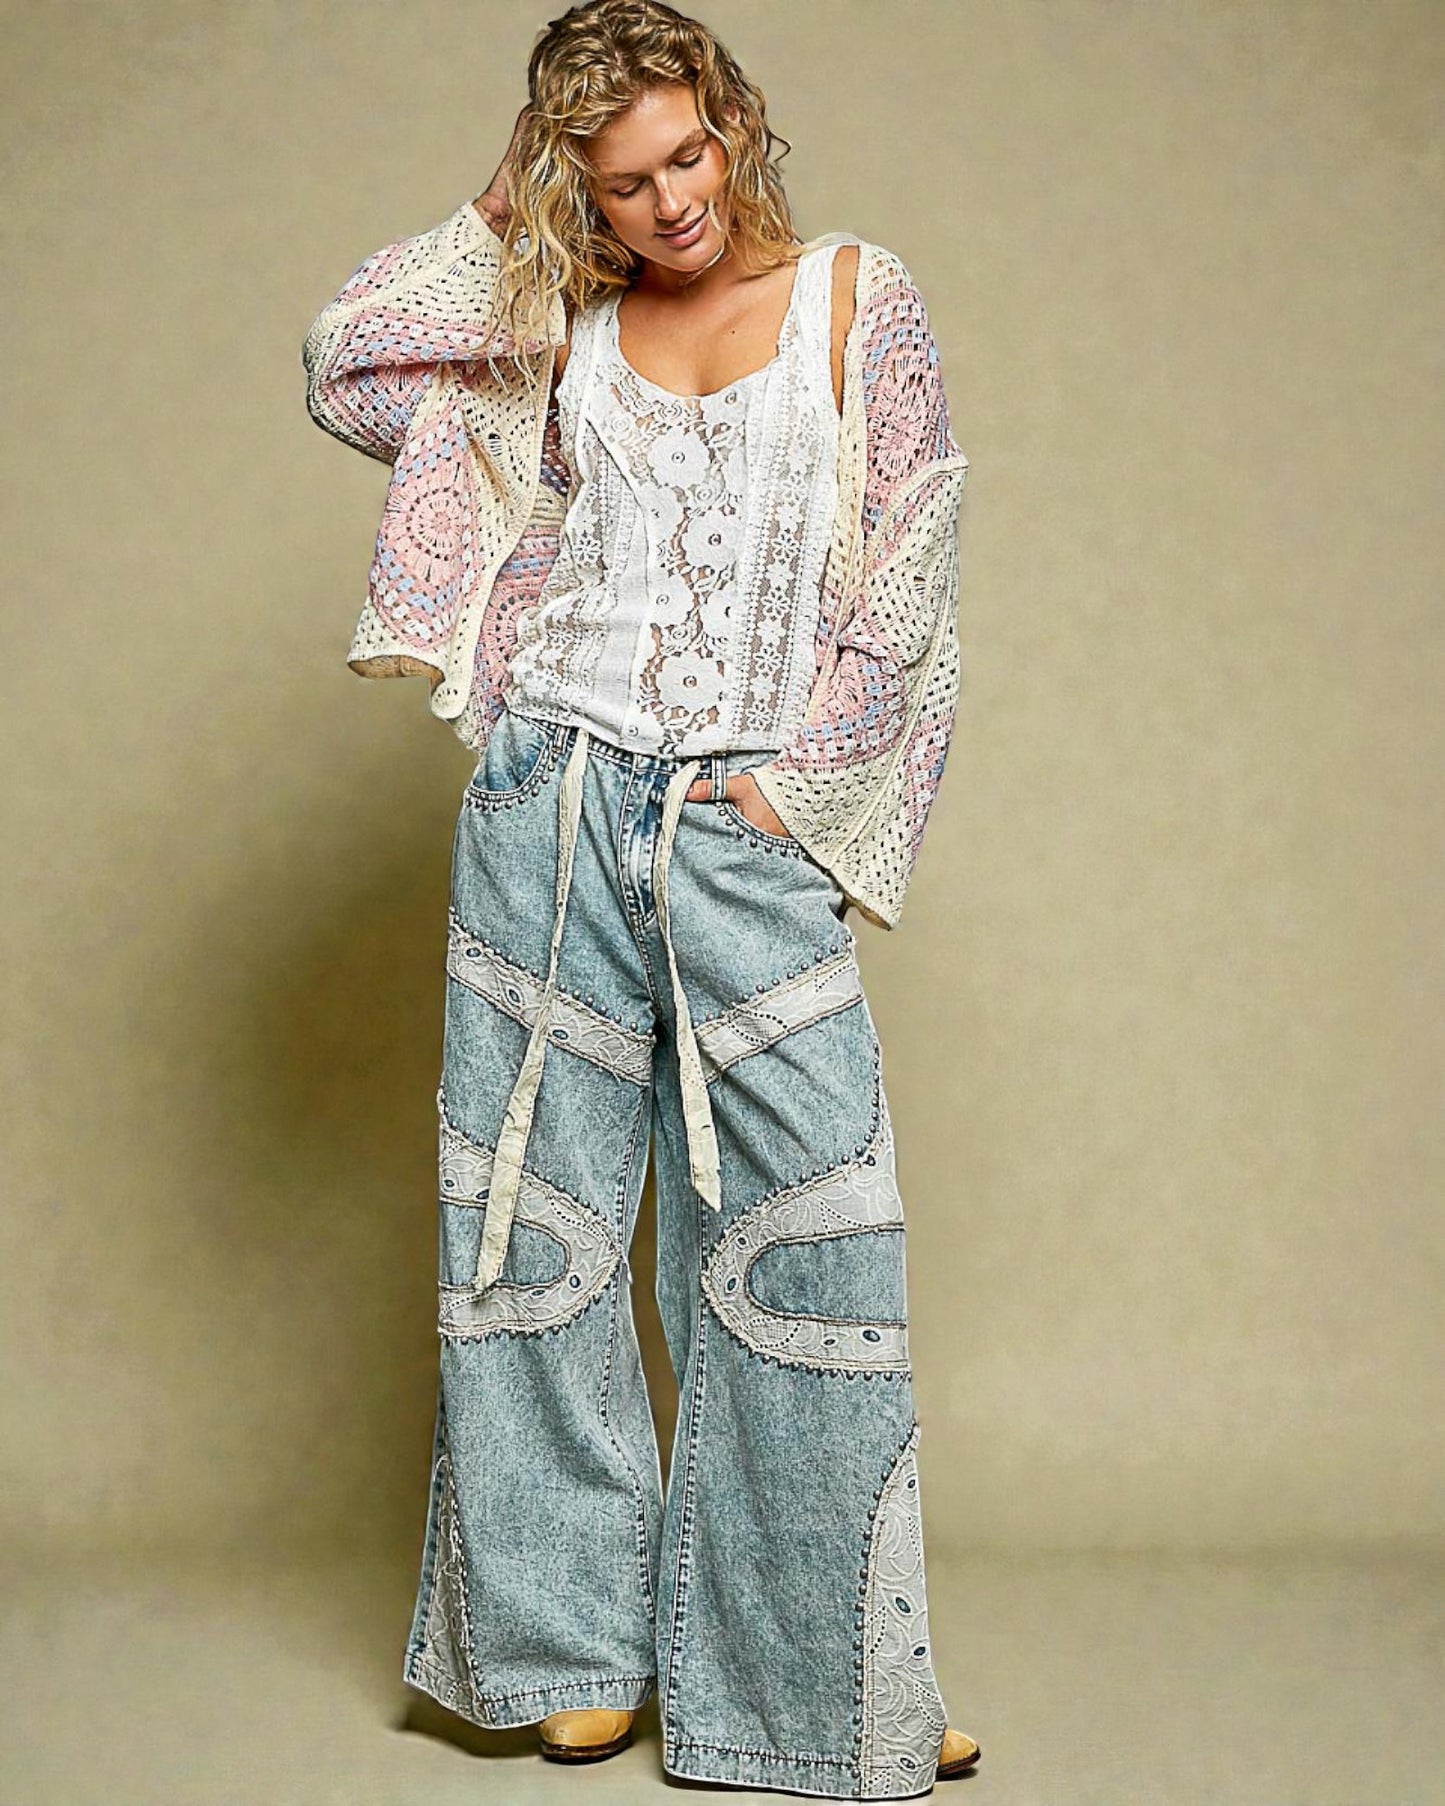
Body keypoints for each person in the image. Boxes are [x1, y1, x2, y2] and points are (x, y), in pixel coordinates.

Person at [301, 1, 975, 1795]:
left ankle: (833, 1674)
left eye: (686, 155)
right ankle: (568, 1652)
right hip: (549, 801)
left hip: (741, 821)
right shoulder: (560, 327)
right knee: (530, 1228)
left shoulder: (853, 297)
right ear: (576, 190)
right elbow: (348, 366)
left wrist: (794, 788)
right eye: (618, 182)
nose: (669, 203)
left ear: (732, 127)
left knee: (809, 1237)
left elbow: (911, 554)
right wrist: (503, 208)